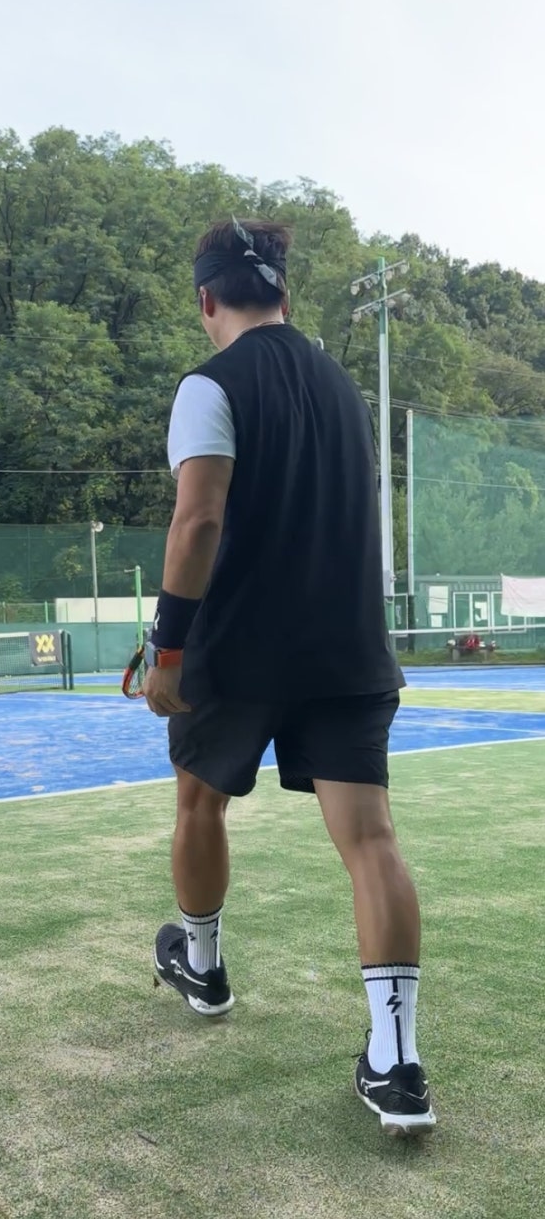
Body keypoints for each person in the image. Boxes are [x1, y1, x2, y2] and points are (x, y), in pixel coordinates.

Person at [142, 216, 435, 1136]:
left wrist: (167, 646)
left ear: (204, 299)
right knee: (370, 841)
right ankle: (396, 1064)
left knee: (199, 806)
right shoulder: (343, 387)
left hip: (234, 652)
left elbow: (198, 520)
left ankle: (203, 967)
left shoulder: (209, 383)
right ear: (284, 293)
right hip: (346, 649)